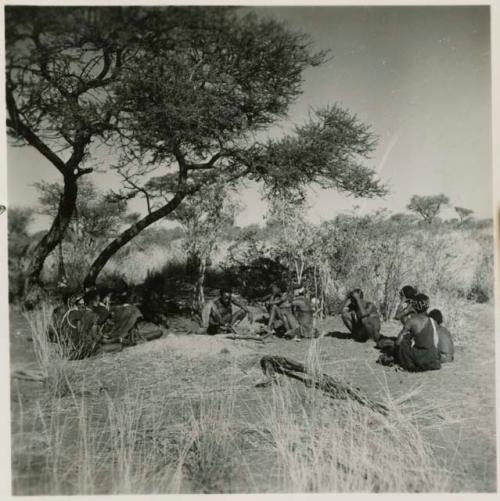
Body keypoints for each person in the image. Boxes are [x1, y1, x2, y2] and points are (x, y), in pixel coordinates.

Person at [394, 294, 441, 372]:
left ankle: (410, 366)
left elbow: (398, 342)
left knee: (403, 343)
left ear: (415, 305)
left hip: (421, 357)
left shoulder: (412, 321)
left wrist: (396, 350)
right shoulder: (432, 321)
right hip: (434, 359)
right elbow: (435, 341)